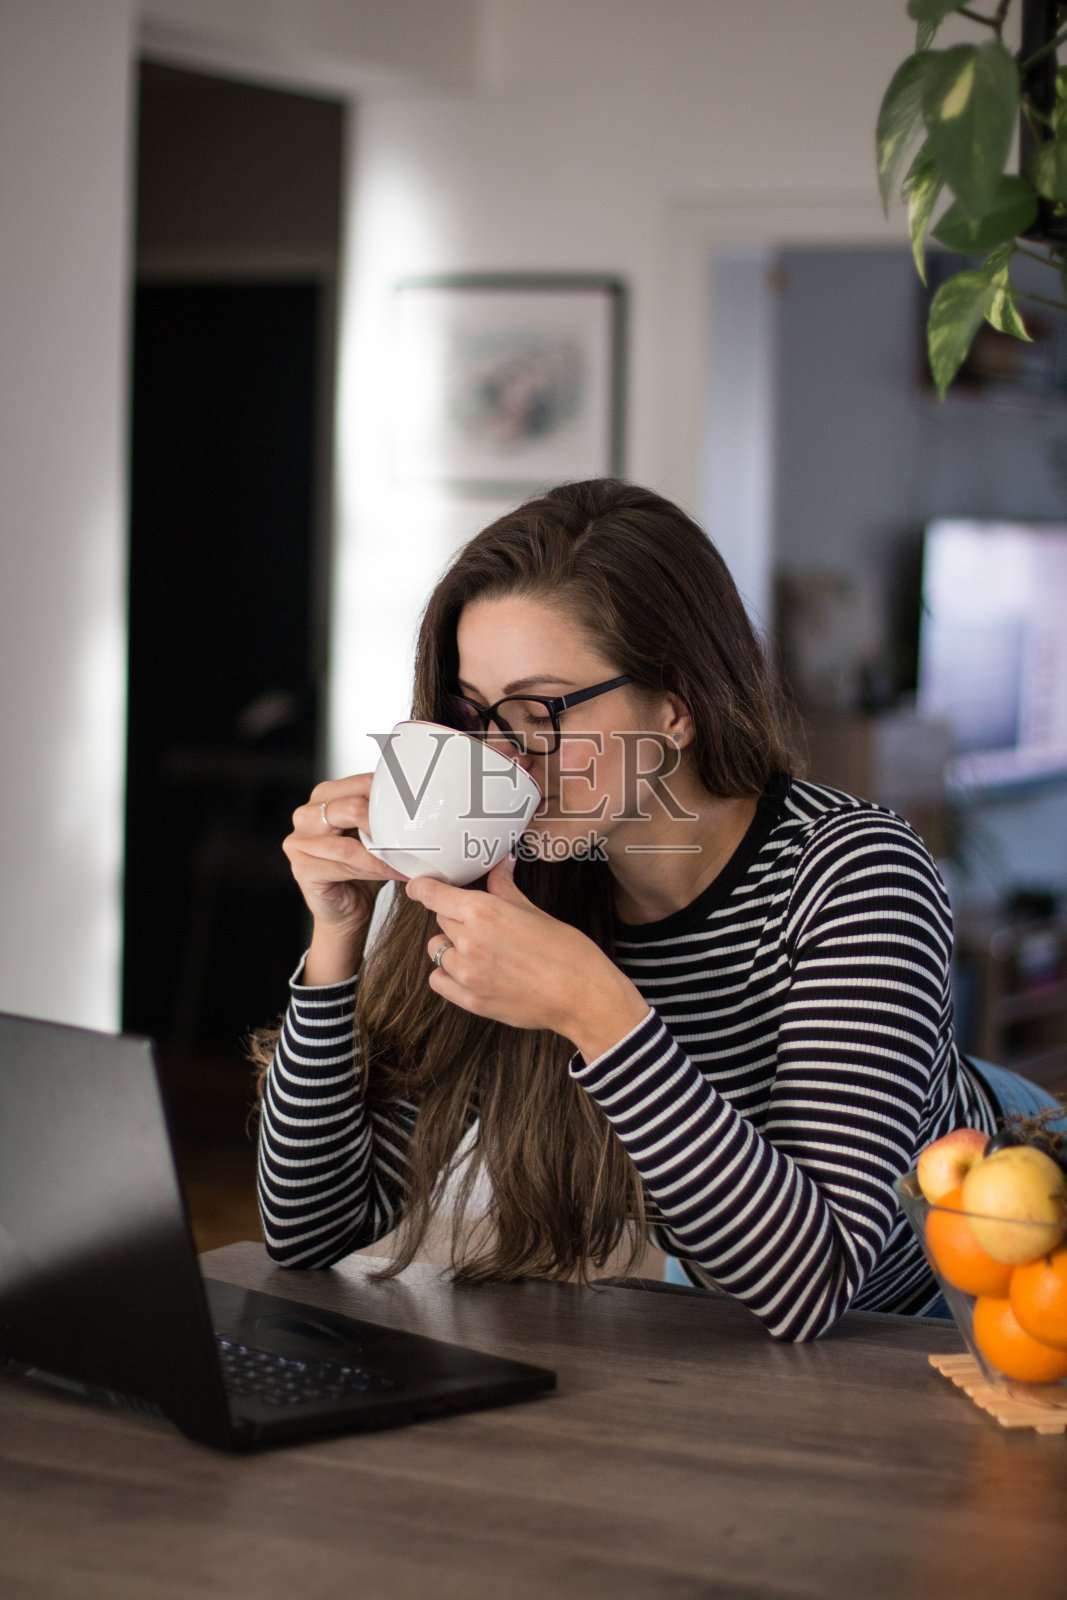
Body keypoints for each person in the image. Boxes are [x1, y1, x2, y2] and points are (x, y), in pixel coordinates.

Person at [255, 478, 1035, 1342]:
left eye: (539, 710)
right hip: (742, 1305)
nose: (496, 757)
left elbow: (817, 1281)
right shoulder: (522, 876)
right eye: (472, 714)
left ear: (675, 707)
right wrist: (336, 938)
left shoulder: (853, 871)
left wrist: (597, 1010)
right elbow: (308, 1229)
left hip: (982, 1293)